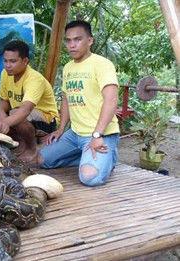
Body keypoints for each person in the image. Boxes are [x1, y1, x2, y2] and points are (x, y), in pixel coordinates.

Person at [36, 20, 120, 187]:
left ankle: (108, 157)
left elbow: (111, 101)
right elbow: (66, 99)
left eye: (77, 39)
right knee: (41, 160)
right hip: (74, 134)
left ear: (90, 41)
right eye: (68, 40)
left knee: (89, 177)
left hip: (101, 134)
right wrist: (60, 129)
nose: (72, 45)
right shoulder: (68, 67)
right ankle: (86, 157)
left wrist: (97, 135)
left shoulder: (102, 64)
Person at [0, 40, 59, 163]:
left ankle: (31, 148)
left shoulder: (34, 79)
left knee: (15, 114)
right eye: (5, 61)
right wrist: (2, 119)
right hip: (19, 113)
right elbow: (4, 100)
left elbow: (25, 110)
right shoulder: (5, 73)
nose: (8, 65)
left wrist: (6, 123)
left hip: (46, 120)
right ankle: (17, 143)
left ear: (25, 61)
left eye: (13, 61)